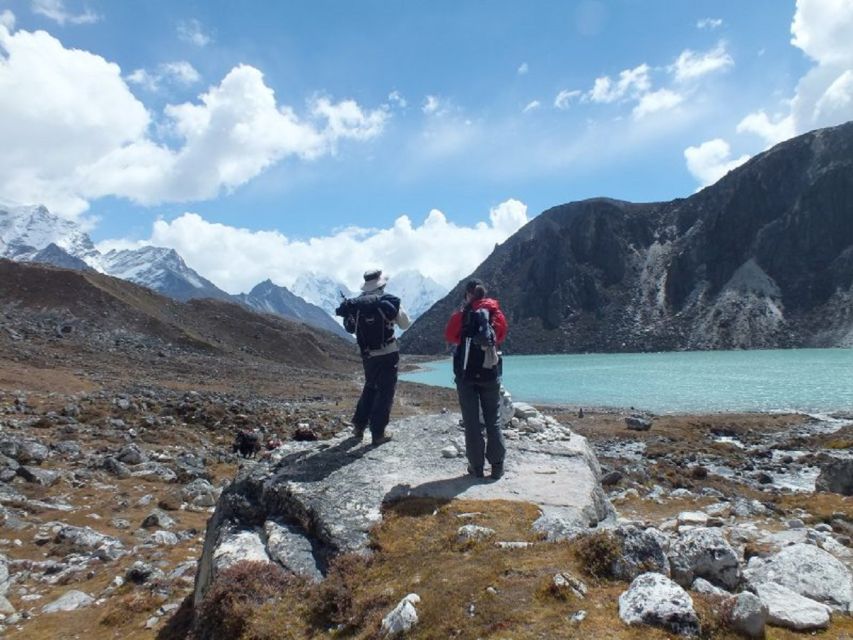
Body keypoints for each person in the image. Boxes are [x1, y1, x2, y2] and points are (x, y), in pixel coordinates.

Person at [337, 269, 410, 446]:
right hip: (388, 352)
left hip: (368, 354)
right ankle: (378, 433)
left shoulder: (356, 305)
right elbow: (405, 324)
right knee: (385, 392)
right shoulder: (388, 301)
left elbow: (350, 328)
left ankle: (359, 426)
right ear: (382, 283)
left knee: (370, 387)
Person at [444, 279, 508, 479]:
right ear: (484, 294)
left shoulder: (461, 315)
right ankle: (497, 466)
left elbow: (450, 336)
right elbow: (501, 335)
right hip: (490, 373)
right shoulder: (496, 314)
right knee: (493, 420)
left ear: (468, 295)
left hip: (466, 376)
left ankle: (476, 467)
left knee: (471, 422)